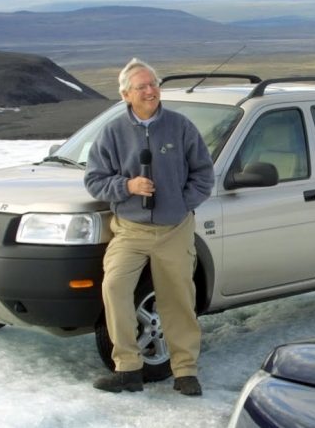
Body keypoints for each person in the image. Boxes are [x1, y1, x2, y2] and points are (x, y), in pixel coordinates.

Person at [84, 58, 214, 395]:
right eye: (141, 86)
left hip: (174, 229)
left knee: (178, 299)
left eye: (153, 84)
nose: (150, 90)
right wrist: (127, 187)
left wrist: (183, 203)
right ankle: (127, 367)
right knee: (114, 288)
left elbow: (204, 173)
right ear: (126, 95)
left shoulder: (180, 126)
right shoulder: (112, 132)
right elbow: (94, 180)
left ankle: (185, 370)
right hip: (130, 230)